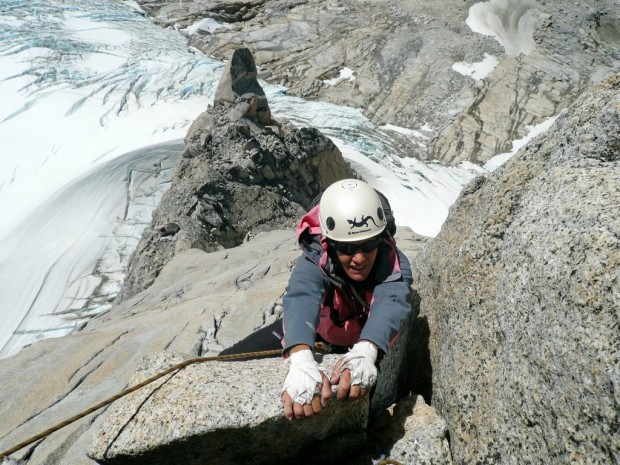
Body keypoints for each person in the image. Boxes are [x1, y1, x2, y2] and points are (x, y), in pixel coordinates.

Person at [219, 178, 413, 421]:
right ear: (329, 244)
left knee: (355, 415)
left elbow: (390, 305)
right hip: (319, 330)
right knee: (220, 364)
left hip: (362, 345)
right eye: (347, 248)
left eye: (369, 245)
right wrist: (300, 357)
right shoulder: (317, 254)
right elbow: (302, 296)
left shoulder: (392, 262)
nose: (359, 258)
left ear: (381, 239)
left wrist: (366, 351)